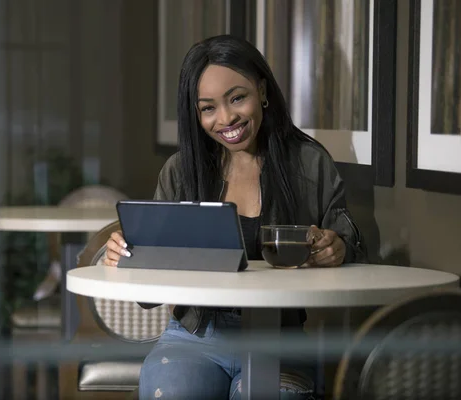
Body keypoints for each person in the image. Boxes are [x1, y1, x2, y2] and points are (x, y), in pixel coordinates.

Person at [104, 35, 367, 400]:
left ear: (262, 90)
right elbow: (148, 284)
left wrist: (338, 248)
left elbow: (350, 246)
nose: (226, 118)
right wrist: (124, 253)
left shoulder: (309, 164)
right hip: (194, 337)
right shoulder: (181, 172)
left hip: (280, 341)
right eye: (208, 108)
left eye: (237, 98)